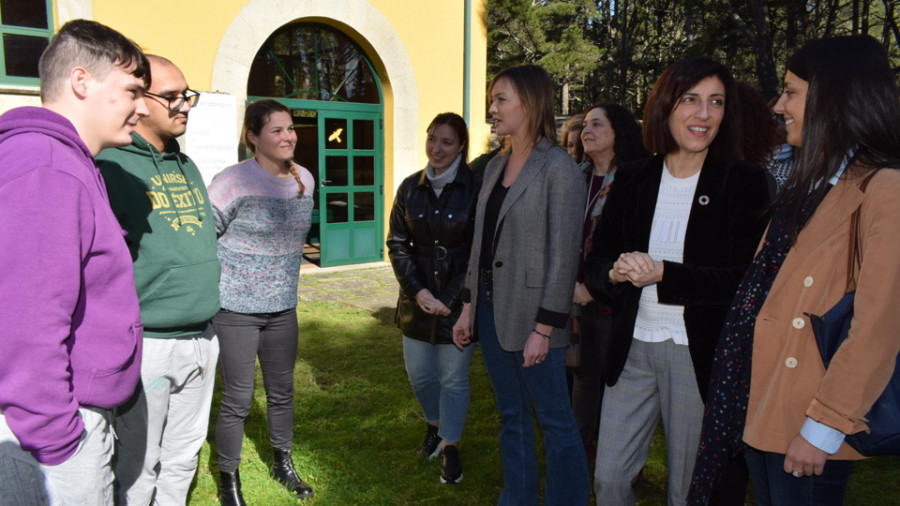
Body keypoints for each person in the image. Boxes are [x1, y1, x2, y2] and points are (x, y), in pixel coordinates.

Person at [691, 35, 900, 506]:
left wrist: (824, 425)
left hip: (808, 422)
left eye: (791, 91)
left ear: (832, 98)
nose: (778, 104)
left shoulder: (884, 188)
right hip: (767, 407)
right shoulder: (814, 183)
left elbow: (878, 327)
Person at [583, 57, 771, 506]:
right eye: (691, 99)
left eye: (716, 102)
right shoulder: (632, 177)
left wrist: (666, 273)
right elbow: (596, 261)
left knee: (688, 490)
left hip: (697, 354)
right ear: (665, 106)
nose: (703, 114)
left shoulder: (743, 181)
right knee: (608, 479)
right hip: (632, 348)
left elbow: (746, 281)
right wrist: (611, 272)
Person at [0, 19, 149, 505]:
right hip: (55, 435)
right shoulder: (46, 166)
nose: (141, 108)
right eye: (132, 91)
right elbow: (25, 323)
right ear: (82, 82)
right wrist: (60, 441)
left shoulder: (63, 161)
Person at [453, 64, 589, 506]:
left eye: (500, 100)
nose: (491, 109)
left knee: (555, 422)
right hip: (491, 313)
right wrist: (469, 306)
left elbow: (564, 256)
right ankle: (519, 497)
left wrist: (545, 331)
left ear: (529, 104)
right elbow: (480, 244)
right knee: (511, 415)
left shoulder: (560, 168)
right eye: (492, 100)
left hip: (536, 321)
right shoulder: (493, 167)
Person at [96, 55, 220, 505]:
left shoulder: (187, 165)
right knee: (138, 460)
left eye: (188, 95)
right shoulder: (111, 166)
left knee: (185, 453)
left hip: (203, 337)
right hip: (148, 343)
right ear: (139, 101)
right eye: (172, 96)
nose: (184, 105)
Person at [209, 99, 316, 504]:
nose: (287, 136)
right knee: (237, 398)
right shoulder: (232, 180)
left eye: (290, 128)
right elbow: (207, 236)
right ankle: (229, 478)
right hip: (235, 309)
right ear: (253, 137)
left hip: (283, 309)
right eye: (276, 130)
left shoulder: (304, 178)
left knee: (282, 391)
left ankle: (282, 462)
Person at [387, 112, 482, 484]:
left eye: (446, 142)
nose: (437, 148)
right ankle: (435, 424)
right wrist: (420, 292)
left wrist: (451, 297)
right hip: (417, 301)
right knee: (421, 376)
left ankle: (451, 447)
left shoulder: (476, 187)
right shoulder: (411, 187)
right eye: (432, 139)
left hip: (460, 304)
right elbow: (397, 244)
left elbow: (479, 250)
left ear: (461, 146)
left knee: (454, 379)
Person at [570, 103, 647, 466]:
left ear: (618, 132)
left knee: (616, 380)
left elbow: (635, 244)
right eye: (585, 124)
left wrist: (595, 288)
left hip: (614, 300)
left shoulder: (634, 180)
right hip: (575, 298)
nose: (587, 130)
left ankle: (618, 457)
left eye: (596, 124)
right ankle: (582, 453)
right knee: (585, 378)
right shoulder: (575, 178)